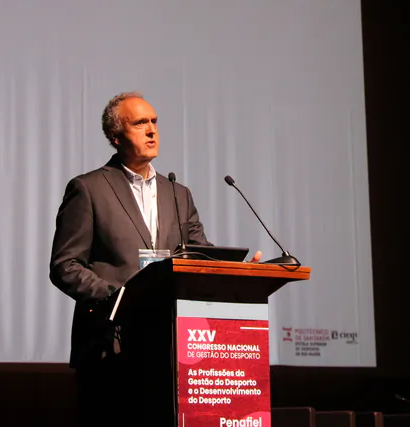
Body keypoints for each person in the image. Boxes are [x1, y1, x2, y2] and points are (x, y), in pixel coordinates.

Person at [49, 91, 260, 425]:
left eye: (154, 122)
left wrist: (236, 273)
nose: (151, 130)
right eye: (140, 123)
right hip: (110, 348)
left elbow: (199, 256)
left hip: (168, 348)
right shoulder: (88, 189)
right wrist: (118, 297)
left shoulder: (178, 193)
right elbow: (65, 264)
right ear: (115, 136)